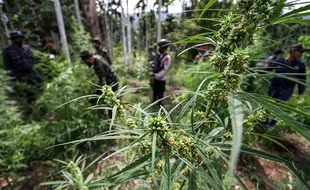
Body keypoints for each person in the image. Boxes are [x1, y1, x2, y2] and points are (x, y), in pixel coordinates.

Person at [3, 31, 43, 103]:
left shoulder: (26, 48)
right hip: (21, 75)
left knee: (41, 86)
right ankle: (33, 107)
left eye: (20, 38)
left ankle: (42, 102)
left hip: (32, 72)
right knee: (28, 93)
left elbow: (34, 58)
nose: (19, 40)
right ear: (13, 40)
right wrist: (13, 77)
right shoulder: (8, 51)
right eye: (17, 38)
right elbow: (7, 66)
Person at [149, 39, 172, 106]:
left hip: (161, 79)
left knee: (160, 93)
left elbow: (165, 69)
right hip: (156, 78)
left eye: (160, 47)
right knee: (155, 91)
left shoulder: (167, 57)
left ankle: (159, 105)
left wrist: (155, 75)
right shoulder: (160, 55)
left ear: (163, 48)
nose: (159, 49)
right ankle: (153, 103)